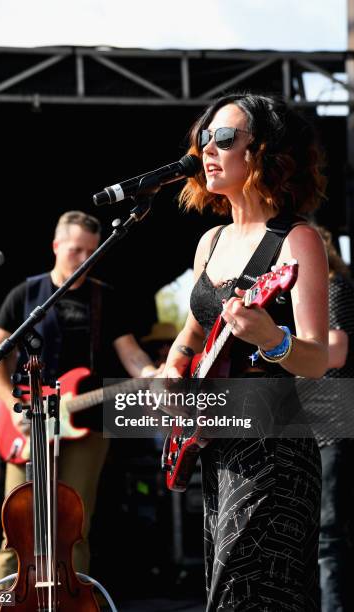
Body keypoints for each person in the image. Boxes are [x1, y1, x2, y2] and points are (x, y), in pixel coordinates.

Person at [160, 93, 329, 610]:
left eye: (225, 138)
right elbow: (192, 334)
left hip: (274, 449)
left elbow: (318, 360)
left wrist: (270, 339)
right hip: (218, 444)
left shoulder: (297, 241)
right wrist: (171, 367)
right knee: (228, 589)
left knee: (248, 594)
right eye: (204, 138)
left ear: (263, 152)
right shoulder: (209, 242)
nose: (208, 149)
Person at [0, 210, 158, 590]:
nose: (84, 259)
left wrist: (148, 374)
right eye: (76, 250)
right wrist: (15, 408)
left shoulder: (104, 298)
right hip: (28, 425)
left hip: (86, 425)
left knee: (72, 528)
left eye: (91, 252)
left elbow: (132, 355)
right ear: (56, 247)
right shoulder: (25, 294)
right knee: (17, 531)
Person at [313, 225, 354, 611]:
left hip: (331, 421)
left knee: (328, 534)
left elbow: (337, 353)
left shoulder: (334, 287)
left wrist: (280, 348)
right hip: (304, 422)